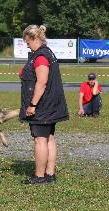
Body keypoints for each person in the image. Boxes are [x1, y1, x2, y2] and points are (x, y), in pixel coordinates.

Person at [19, 24, 69, 184]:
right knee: (50, 138)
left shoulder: (41, 56)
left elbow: (41, 82)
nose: (27, 45)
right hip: (52, 104)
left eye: (27, 41)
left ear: (35, 38)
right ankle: (50, 174)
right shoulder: (47, 53)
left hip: (42, 105)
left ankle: (39, 176)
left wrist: (32, 105)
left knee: (40, 140)